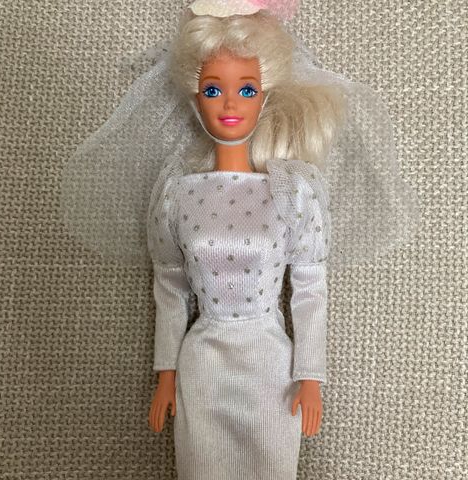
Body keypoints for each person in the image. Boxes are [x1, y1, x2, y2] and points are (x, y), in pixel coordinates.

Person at [60, 1, 420, 478]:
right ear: (195, 98)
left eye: (246, 89)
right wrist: (166, 374)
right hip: (203, 359)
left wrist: (310, 375)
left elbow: (310, 287)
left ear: (264, 96)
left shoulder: (291, 191)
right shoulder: (178, 195)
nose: (230, 104)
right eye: (214, 89)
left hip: (271, 362)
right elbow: (170, 286)